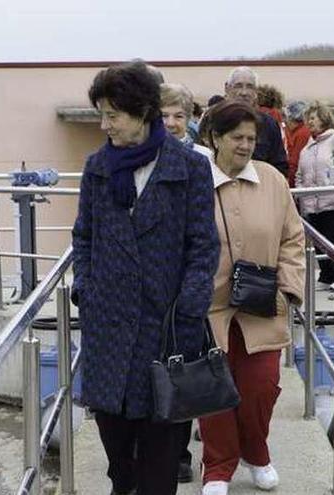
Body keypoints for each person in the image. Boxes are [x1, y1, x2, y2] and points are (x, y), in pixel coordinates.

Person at [72, 61, 220, 495]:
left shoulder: (188, 168)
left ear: (142, 112)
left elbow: (203, 246)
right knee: (120, 467)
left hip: (167, 332)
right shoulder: (98, 167)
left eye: (112, 115)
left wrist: (190, 309)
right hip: (109, 333)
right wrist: (86, 288)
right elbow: (84, 236)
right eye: (102, 114)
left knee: (159, 470)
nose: (104, 124)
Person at [197, 101, 306, 495]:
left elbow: (293, 237)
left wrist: (289, 285)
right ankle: (218, 467)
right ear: (214, 138)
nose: (245, 146)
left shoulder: (273, 180)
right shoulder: (195, 180)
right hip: (208, 307)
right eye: (236, 137)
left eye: (251, 138)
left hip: (262, 302)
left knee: (262, 386)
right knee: (213, 391)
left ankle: (256, 453)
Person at [159, 81, 213, 483]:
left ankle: (178, 452)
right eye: (164, 115)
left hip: (187, 280)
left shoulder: (201, 160)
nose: (173, 123)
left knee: (182, 369)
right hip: (149, 284)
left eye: (180, 115)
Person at [295, 100, 334, 289]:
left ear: (323, 119)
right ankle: (326, 276)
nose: (310, 122)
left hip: (333, 202)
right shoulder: (307, 148)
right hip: (311, 204)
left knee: (331, 238)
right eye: (308, 119)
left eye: (313, 118)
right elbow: (299, 174)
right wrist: (300, 194)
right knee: (318, 242)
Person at [223, 67, 289, 177]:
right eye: (238, 86)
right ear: (227, 88)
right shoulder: (212, 120)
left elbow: (280, 166)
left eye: (250, 87)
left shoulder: (269, 125)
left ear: (256, 92)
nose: (244, 92)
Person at [284, 100, 311, 188]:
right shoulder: (295, 132)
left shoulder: (302, 133)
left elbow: (295, 162)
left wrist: (289, 185)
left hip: (296, 181)